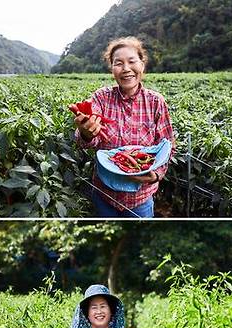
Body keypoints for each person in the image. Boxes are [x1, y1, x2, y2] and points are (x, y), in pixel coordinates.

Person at [71, 36, 175, 218]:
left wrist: (156, 174)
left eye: (132, 61)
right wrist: (86, 133)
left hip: (140, 198)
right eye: (118, 63)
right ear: (112, 69)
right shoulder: (101, 98)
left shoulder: (156, 102)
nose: (126, 69)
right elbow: (87, 140)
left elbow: (168, 145)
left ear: (142, 65)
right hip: (104, 194)